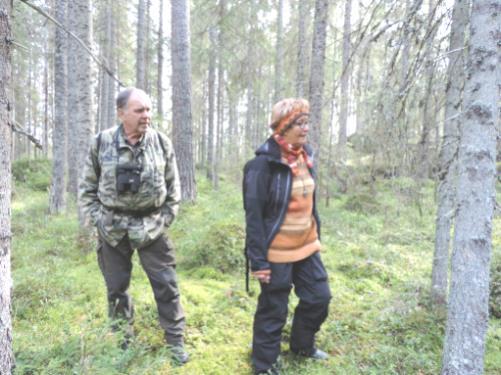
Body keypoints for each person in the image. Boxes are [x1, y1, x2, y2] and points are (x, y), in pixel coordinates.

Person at [78, 87, 188, 364]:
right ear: (121, 113)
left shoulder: (161, 143)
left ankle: (175, 343)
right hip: (112, 229)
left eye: (149, 110)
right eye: (139, 110)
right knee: (117, 288)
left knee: (166, 285)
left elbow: (174, 187)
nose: (146, 115)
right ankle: (123, 341)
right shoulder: (101, 142)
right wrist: (96, 219)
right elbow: (87, 187)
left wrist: (166, 218)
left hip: (152, 228)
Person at [243, 98, 332, 374]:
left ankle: (302, 344)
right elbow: (254, 218)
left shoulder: (306, 156)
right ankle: (264, 364)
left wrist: (315, 229)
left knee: (319, 297)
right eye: (299, 123)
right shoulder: (262, 165)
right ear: (283, 127)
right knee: (273, 309)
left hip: (307, 246)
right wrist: (258, 261)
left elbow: (309, 202)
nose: (306, 129)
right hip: (277, 252)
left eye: (307, 122)